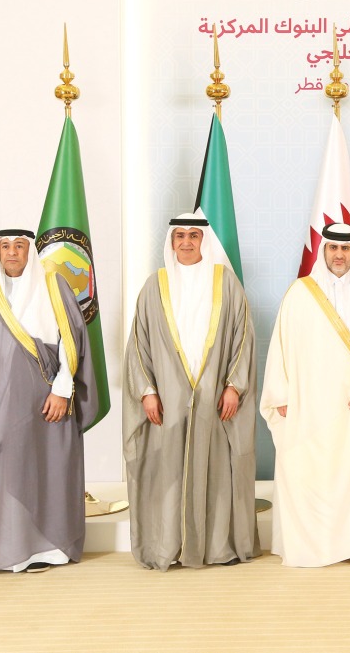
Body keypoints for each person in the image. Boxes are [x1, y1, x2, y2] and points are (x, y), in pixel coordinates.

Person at [0, 228, 97, 574]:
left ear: (30, 251)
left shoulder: (54, 287)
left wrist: (62, 391)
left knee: (45, 472)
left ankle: (49, 550)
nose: (12, 253)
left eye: (19, 246)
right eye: (5, 246)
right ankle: (5, 550)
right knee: (1, 474)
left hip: (45, 404)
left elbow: (70, 341)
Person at [123, 212, 258, 570]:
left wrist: (234, 386)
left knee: (216, 469)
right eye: (179, 236)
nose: (185, 242)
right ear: (171, 241)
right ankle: (169, 547)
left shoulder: (225, 282)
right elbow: (138, 344)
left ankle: (218, 548)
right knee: (166, 470)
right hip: (166, 399)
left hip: (215, 397)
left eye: (193, 236)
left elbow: (243, 338)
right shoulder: (155, 285)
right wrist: (147, 391)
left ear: (204, 241)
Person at [262, 223, 350, 566]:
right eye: (333, 248)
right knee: (311, 471)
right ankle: (313, 545)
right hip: (310, 403)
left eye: (346, 248)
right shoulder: (300, 292)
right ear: (324, 251)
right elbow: (279, 346)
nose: (339, 254)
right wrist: (281, 394)